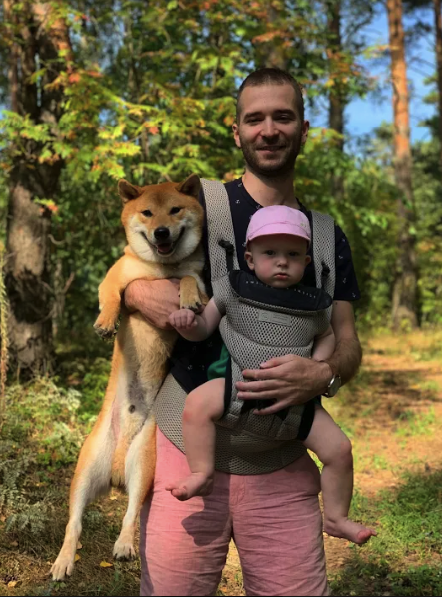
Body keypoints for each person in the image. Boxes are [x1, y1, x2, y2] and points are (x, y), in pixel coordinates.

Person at [125, 67, 364, 597]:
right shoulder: (197, 207)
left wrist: (322, 373)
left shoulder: (325, 237)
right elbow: (130, 274)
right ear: (237, 132)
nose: (269, 129)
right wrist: (141, 296)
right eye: (254, 119)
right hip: (185, 452)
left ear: (305, 129)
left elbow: (347, 342)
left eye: (283, 116)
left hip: (281, 462)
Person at [165, 205, 375, 546]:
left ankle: (336, 517)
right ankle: (202, 472)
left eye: (293, 254)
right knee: (196, 406)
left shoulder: (313, 304)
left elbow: (327, 336)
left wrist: (317, 371)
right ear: (249, 259)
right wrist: (187, 324)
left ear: (307, 262)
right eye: (270, 253)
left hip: (295, 400)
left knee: (339, 450)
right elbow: (204, 327)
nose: (282, 261)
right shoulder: (231, 289)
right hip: (238, 383)